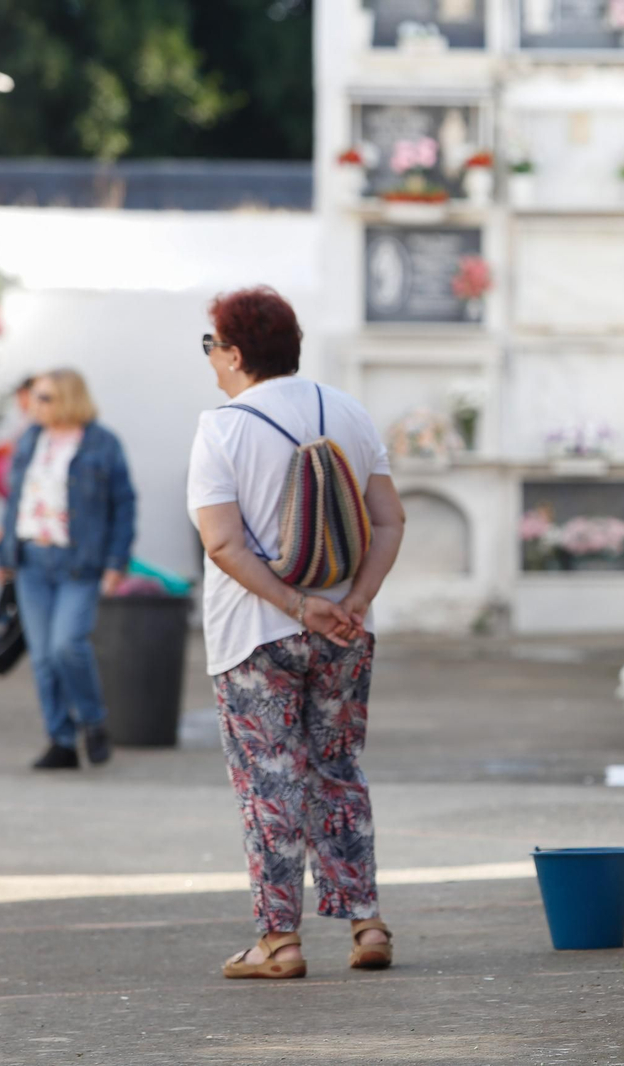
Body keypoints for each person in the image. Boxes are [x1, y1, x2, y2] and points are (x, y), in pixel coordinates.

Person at [188, 286, 406, 980]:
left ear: (237, 352)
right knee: (339, 769)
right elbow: (391, 518)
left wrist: (293, 602)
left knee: (270, 780)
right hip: (345, 629)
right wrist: (356, 600)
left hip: (254, 634)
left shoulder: (222, 428)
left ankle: (278, 940)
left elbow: (223, 545)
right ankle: (367, 923)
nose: (211, 358)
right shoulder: (347, 410)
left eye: (212, 345)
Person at [0, 369, 137, 770]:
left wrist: (116, 562)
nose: (32, 405)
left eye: (42, 397)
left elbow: (123, 505)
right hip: (31, 561)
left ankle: (92, 721)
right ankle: (60, 740)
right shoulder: (30, 440)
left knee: (67, 645)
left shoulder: (102, 444)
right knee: (42, 657)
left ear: (66, 399)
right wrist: (5, 556)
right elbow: (15, 500)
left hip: (79, 562)